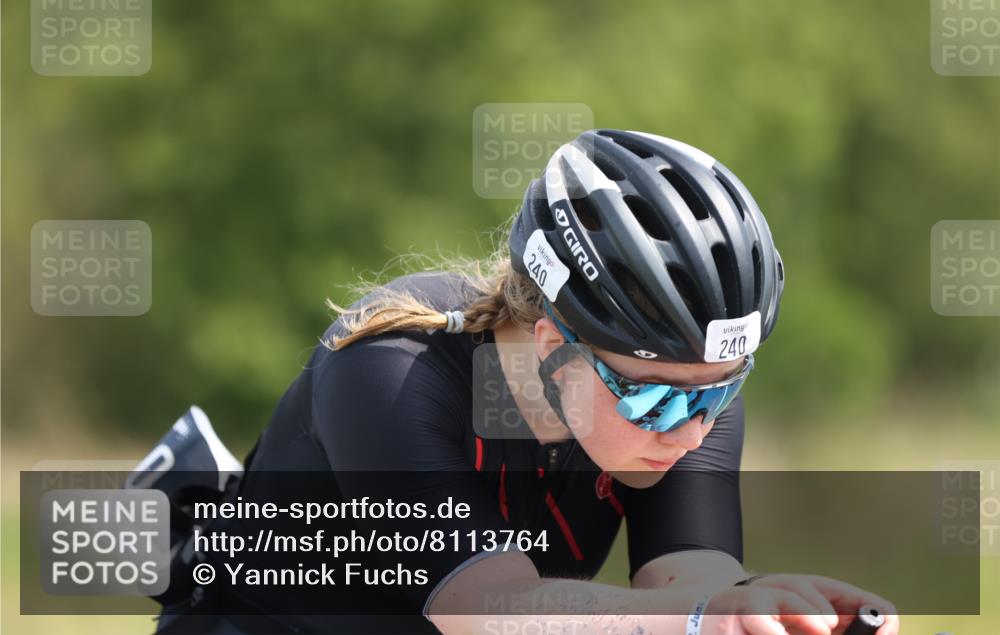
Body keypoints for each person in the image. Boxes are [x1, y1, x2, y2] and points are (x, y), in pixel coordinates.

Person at [154, 129, 898, 635]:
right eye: (655, 395)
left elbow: (689, 580)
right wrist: (699, 617)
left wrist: (765, 611)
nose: (691, 429)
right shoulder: (392, 368)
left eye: (721, 392)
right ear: (552, 348)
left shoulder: (682, 397)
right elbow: (485, 607)